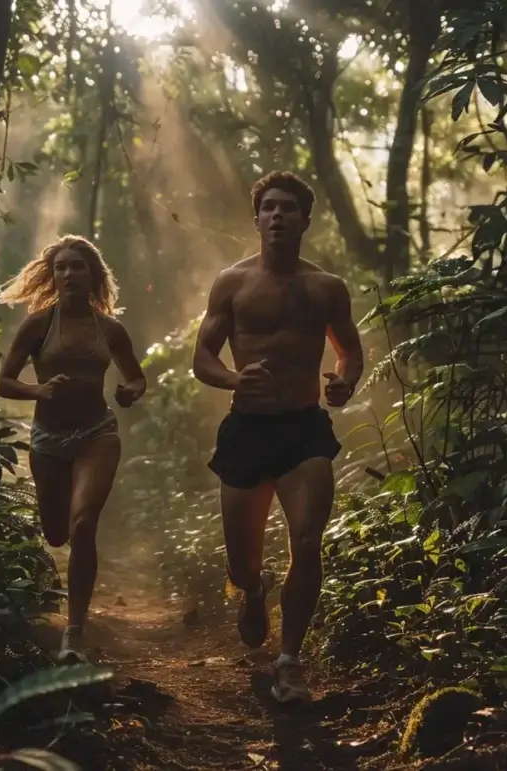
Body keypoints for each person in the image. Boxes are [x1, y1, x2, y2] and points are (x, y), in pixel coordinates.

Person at [191, 171, 364, 703]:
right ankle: (253, 589)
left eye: (288, 208)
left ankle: (290, 661)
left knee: (307, 541)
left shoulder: (326, 288)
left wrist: (344, 382)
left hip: (304, 428)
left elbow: (349, 350)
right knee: (242, 563)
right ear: (257, 218)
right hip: (246, 429)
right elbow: (202, 358)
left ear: (305, 220)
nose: (277, 215)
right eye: (268, 207)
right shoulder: (233, 283)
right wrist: (233, 378)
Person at [0, 235, 147, 664]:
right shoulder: (39, 325)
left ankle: (74, 631)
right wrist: (39, 389)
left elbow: (136, 377)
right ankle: (62, 619)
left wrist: (130, 391)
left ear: (92, 275)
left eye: (77, 267)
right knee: (57, 532)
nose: (68, 274)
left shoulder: (110, 329)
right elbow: (4, 382)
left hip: (97, 433)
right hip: (47, 440)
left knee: (83, 525)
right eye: (60, 267)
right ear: (52, 276)